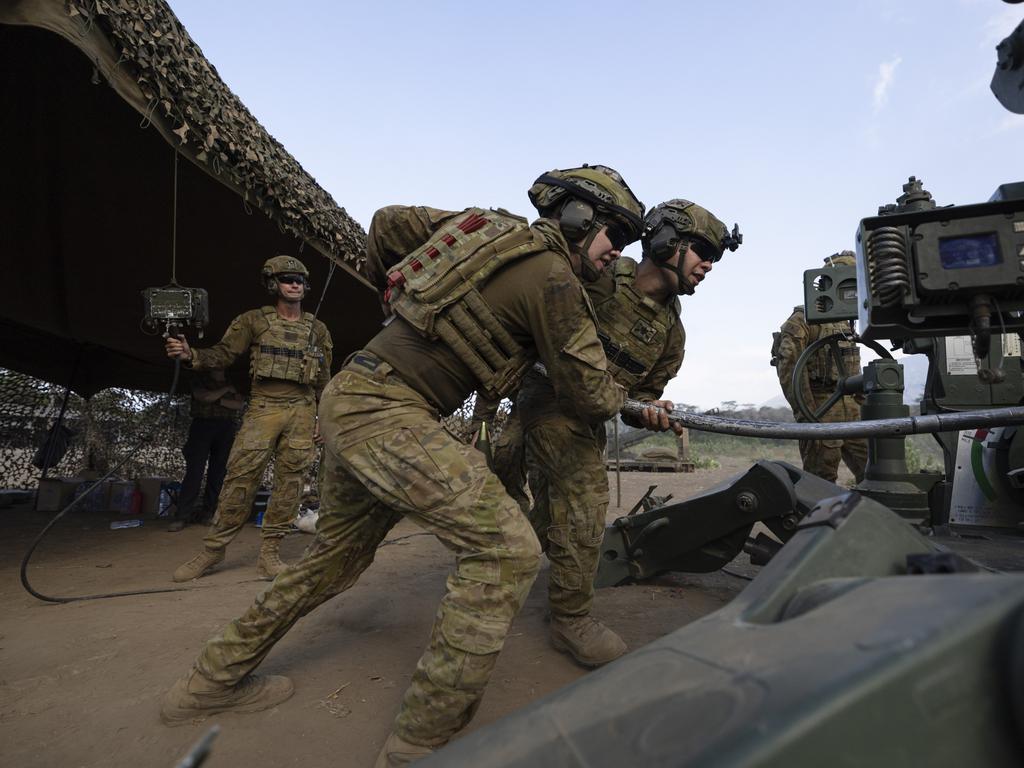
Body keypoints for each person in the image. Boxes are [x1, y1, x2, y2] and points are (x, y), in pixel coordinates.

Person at [159, 165, 644, 766]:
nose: (616, 252)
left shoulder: (482, 229)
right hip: (387, 413)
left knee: (331, 562)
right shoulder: (555, 279)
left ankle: (208, 681)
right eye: (613, 235)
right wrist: (638, 407)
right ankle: (419, 745)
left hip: (355, 394)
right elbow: (593, 395)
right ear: (578, 218)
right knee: (505, 549)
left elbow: (387, 224)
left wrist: (403, 296)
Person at [517, 198, 741, 667]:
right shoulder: (597, 272)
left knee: (582, 505)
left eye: (713, 259)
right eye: (702, 250)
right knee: (513, 511)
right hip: (529, 404)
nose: (707, 266)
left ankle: (570, 617)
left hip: (579, 427)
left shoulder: (670, 336)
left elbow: (639, 398)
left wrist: (649, 412)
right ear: (665, 241)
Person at [165, 255, 333, 581]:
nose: (295, 284)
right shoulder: (254, 321)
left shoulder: (318, 329)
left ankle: (269, 554)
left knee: (291, 485)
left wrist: (322, 418)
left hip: (301, 409)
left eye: (299, 280)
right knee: (240, 479)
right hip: (264, 407)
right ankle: (213, 550)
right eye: (287, 279)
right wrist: (191, 355)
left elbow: (325, 378)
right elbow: (223, 354)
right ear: (273, 284)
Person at [773, 251, 867, 483]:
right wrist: (806, 414)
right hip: (820, 410)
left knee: (875, 474)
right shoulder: (803, 321)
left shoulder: (848, 321)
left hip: (854, 412)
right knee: (820, 483)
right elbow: (789, 369)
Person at [167, 368, 244, 533]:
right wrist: (224, 392)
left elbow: (238, 404)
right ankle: (182, 515)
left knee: (218, 472)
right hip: (202, 425)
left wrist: (215, 399)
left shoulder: (233, 381)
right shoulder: (200, 379)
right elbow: (203, 396)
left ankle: (208, 513)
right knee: (194, 471)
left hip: (226, 427)